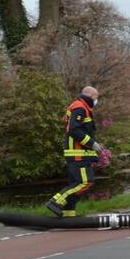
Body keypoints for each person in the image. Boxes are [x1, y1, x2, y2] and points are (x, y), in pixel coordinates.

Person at [45, 86, 105, 217]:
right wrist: (92, 143)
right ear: (90, 95)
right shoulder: (80, 107)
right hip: (78, 154)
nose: (96, 100)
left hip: (79, 153)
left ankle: (68, 213)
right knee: (85, 182)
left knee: (75, 184)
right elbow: (73, 130)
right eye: (96, 97)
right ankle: (55, 201)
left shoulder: (82, 107)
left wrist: (93, 145)